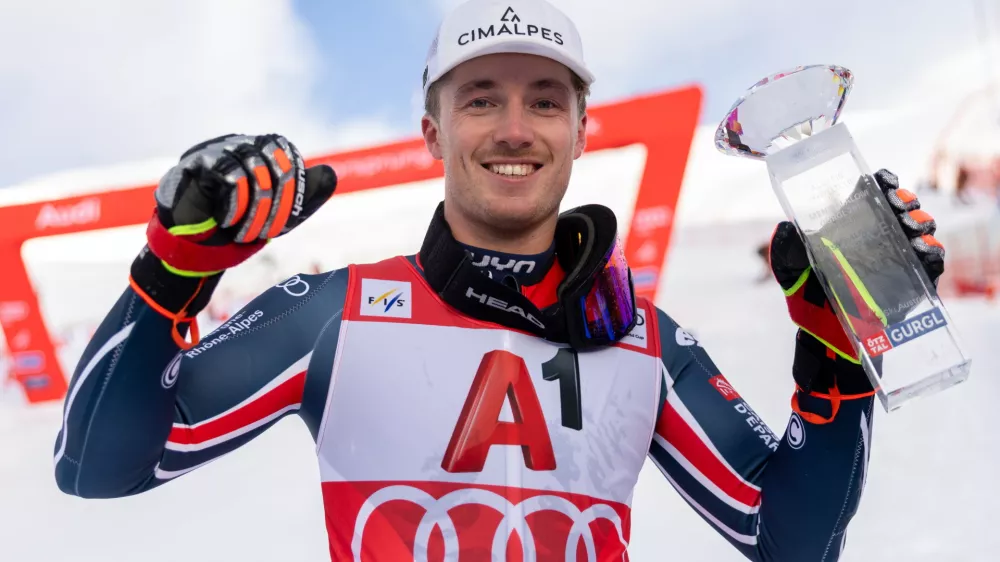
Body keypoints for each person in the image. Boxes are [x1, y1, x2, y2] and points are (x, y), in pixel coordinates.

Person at [52, 0, 947, 560]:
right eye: (481, 97)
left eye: (545, 100)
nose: (514, 127)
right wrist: (170, 274)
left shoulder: (644, 336)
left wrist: (834, 355)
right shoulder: (335, 314)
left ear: (581, 130)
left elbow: (790, 540)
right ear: (434, 134)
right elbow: (96, 468)